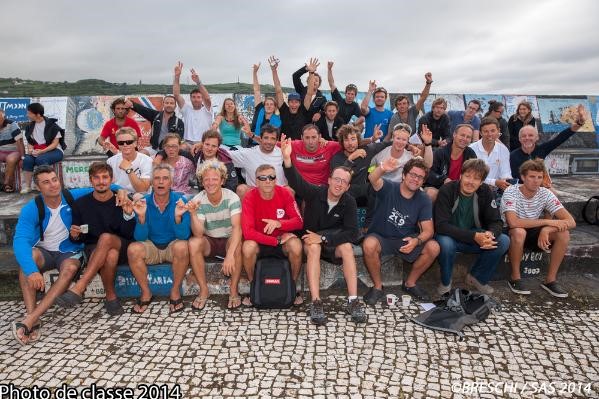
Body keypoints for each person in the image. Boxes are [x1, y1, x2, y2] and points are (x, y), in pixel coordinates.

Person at [281, 137, 366, 325]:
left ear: (348, 186)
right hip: (310, 240)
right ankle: (316, 301)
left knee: (347, 247)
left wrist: (324, 237)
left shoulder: (349, 201)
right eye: (336, 179)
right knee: (313, 247)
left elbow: (352, 233)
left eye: (344, 182)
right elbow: (297, 182)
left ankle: (353, 301)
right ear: (329, 180)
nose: (339, 184)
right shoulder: (316, 192)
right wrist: (287, 160)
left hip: (332, 241)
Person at [11, 166, 92, 345]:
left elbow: (103, 188)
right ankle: (33, 317)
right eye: (46, 182)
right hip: (44, 251)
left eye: (54, 180)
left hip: (69, 250)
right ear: (38, 187)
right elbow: (20, 240)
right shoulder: (31, 208)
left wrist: (124, 193)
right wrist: (32, 271)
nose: (53, 185)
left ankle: (30, 320)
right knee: (27, 261)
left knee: (70, 268)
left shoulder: (72, 196)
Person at [54, 162, 135, 315]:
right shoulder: (80, 204)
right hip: (93, 248)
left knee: (106, 238)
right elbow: (79, 238)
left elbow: (129, 234)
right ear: (91, 181)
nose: (101, 181)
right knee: (109, 255)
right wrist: (74, 235)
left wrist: (127, 214)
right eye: (96, 178)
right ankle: (111, 297)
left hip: (122, 244)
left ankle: (80, 286)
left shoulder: (121, 200)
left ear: (111, 180)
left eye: (105, 177)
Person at [362, 157, 439, 303]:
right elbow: (373, 179)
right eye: (413, 175)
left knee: (434, 247)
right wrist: (383, 168)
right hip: (381, 237)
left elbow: (428, 230)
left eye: (420, 177)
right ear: (404, 175)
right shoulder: (390, 187)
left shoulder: (423, 199)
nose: (415, 179)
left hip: (405, 239)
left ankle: (410, 284)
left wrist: (416, 241)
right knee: (369, 245)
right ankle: (378, 287)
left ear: (423, 182)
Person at [501, 159, 576, 298]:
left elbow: (571, 221)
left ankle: (550, 280)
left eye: (539, 177)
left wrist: (547, 229)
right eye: (532, 177)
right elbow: (513, 222)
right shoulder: (511, 191)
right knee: (519, 232)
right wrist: (548, 222)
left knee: (563, 234)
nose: (536, 181)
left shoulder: (545, 193)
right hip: (511, 232)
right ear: (523, 177)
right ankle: (515, 278)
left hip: (534, 230)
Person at [434, 159, 510, 296]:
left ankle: (477, 278)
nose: (470, 181)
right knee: (445, 243)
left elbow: (496, 221)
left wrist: (490, 234)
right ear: (460, 176)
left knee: (503, 240)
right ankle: (445, 282)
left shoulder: (485, 191)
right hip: (449, 235)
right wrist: (474, 236)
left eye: (476, 178)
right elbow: (441, 225)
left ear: (481, 182)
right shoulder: (447, 190)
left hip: (474, 236)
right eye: (467, 176)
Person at [127, 164, 191, 314]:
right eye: (157, 178)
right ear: (152, 182)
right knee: (133, 249)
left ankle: (175, 291)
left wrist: (177, 217)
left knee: (182, 246)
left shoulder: (180, 200)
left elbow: (183, 236)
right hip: (151, 246)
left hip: (172, 245)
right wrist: (141, 217)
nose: (161, 182)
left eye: (165, 178)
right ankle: (146, 292)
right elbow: (140, 238)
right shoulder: (143, 201)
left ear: (171, 182)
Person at [241, 164, 304, 306]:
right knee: (247, 247)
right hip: (262, 242)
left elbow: (299, 221)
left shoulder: (285, 193)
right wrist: (275, 240)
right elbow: (248, 232)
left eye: (271, 177)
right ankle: (254, 288)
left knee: (296, 244)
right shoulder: (250, 197)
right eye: (262, 178)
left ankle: (291, 287)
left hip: (282, 243)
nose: (268, 181)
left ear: (276, 179)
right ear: (256, 181)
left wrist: (279, 223)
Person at [187, 161, 243, 310]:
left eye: (214, 179)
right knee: (193, 243)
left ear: (222, 181)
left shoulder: (232, 197)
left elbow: (237, 228)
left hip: (229, 238)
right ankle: (204, 289)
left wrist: (229, 255)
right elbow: (198, 233)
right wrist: (192, 213)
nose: (210, 183)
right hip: (209, 239)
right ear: (202, 181)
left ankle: (233, 289)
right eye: (206, 179)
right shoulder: (198, 199)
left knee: (237, 245)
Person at [510, 105, 585, 182]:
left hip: (539, 186)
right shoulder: (512, 156)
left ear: (537, 138)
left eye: (531, 135)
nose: (527, 138)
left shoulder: (542, 149)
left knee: (553, 193)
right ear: (519, 139)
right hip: (521, 188)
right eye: (523, 136)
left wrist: (579, 123)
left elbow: (561, 137)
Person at [227, 125, 286, 199]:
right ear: (260, 138)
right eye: (266, 138)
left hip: (277, 193)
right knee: (241, 189)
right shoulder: (249, 153)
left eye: (273, 138)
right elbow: (225, 155)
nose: (269, 142)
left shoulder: (283, 153)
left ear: (277, 140)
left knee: (290, 190)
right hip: (255, 193)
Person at [21, 103, 66, 194]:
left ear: (37, 114)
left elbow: (55, 144)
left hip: (54, 150)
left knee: (41, 159)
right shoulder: (30, 126)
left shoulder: (51, 125)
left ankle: (49, 187)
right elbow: (30, 142)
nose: (27, 115)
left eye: (29, 113)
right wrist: (30, 150)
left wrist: (42, 151)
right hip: (38, 150)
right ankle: (28, 186)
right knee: (27, 160)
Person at [425, 124, 477, 202]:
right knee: (431, 193)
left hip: (461, 190)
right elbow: (428, 173)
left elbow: (474, 175)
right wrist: (444, 180)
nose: (465, 139)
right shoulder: (440, 152)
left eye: (468, 137)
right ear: (454, 135)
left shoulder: (471, 154)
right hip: (439, 188)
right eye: (462, 135)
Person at [269, 56, 310, 141]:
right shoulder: (284, 110)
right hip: (285, 145)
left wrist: (312, 73)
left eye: (296, 102)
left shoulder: (303, 110)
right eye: (291, 102)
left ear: (300, 103)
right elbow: (278, 90)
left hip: (300, 146)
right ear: (288, 103)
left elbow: (309, 94)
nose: (294, 104)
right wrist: (274, 70)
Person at [173, 61, 213, 145]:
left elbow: (207, 98)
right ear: (190, 98)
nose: (196, 99)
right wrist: (177, 77)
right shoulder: (186, 109)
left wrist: (198, 82)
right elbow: (176, 95)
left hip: (203, 143)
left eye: (199, 97)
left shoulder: (207, 110)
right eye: (194, 97)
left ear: (202, 99)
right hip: (188, 143)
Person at [469, 117, 512, 193]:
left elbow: (506, 173)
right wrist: (494, 182)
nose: (489, 134)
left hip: (496, 191)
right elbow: (471, 175)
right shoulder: (471, 149)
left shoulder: (503, 150)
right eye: (486, 131)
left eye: (493, 131)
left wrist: (505, 182)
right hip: (473, 190)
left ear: (498, 131)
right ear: (481, 133)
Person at [385, 72, 433, 138]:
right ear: (396, 107)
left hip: (412, 142)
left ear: (408, 105)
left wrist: (428, 83)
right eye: (399, 104)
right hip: (400, 142)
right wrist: (381, 146)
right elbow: (389, 135)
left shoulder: (413, 112)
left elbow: (423, 98)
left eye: (404, 103)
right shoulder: (394, 118)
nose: (402, 106)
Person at [106, 127, 152, 194]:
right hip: (119, 196)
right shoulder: (110, 161)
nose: (125, 145)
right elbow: (109, 186)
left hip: (140, 198)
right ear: (118, 145)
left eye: (129, 142)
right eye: (121, 143)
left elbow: (143, 190)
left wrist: (128, 170)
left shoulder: (147, 160)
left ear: (135, 143)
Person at [250, 62, 281, 144]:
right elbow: (256, 90)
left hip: (268, 146)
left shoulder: (277, 120)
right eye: (267, 104)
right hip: (253, 144)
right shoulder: (260, 109)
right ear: (264, 106)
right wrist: (254, 72)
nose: (269, 106)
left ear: (275, 107)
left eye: (271, 104)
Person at [326, 61, 364, 125]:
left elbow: (362, 117)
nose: (350, 96)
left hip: (343, 128)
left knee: (360, 126)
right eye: (348, 93)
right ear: (345, 94)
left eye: (352, 94)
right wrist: (329, 69)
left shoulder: (355, 105)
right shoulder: (339, 99)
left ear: (355, 95)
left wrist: (353, 124)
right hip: (331, 125)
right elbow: (331, 84)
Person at [0, 109, 24, 193]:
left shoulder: (12, 124)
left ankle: (7, 184)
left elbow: (20, 141)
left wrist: (23, 156)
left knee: (10, 159)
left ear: (3, 116)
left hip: (14, 150)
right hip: (1, 151)